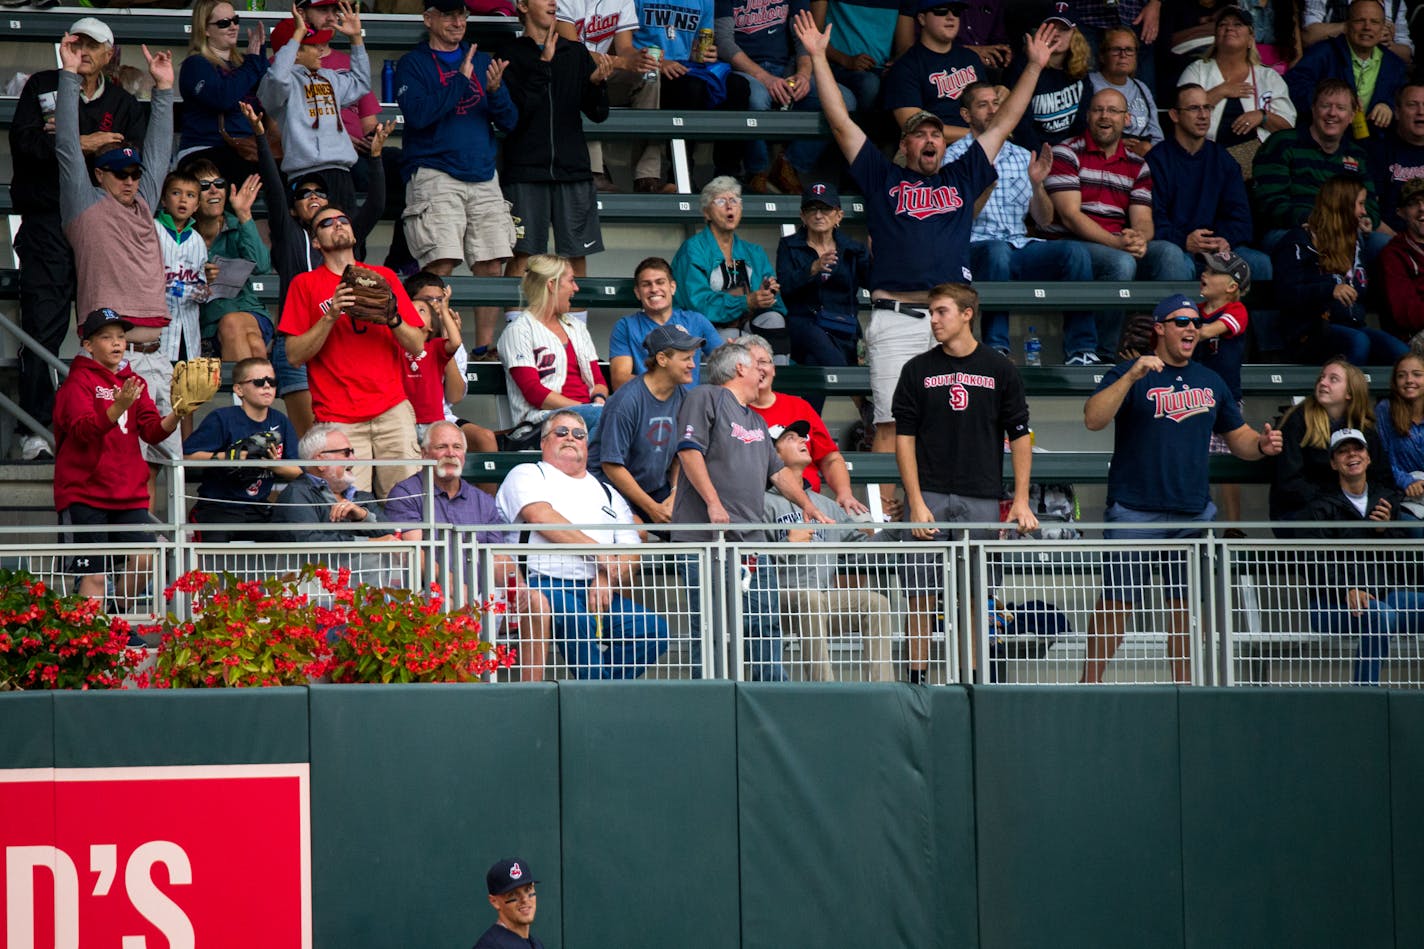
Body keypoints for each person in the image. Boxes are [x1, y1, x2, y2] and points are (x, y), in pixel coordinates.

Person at [791, 9, 1052, 506]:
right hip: (894, 317)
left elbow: (1003, 122)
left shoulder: (961, 176)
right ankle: (888, 525)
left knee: (950, 422)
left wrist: (1034, 65)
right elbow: (842, 122)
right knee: (889, 422)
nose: (930, 139)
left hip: (950, 321)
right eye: (919, 133)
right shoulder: (883, 178)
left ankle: (930, 514)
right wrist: (819, 57)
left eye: (935, 133)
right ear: (905, 145)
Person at [1080, 293, 1283, 685]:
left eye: (1194, 322)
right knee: (1116, 605)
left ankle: (1185, 692)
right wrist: (1130, 375)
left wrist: (1262, 445)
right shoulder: (1130, 372)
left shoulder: (1211, 380)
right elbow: (1093, 418)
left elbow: (1237, 436)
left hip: (1192, 510)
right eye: (1181, 322)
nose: (1191, 328)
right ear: (1160, 328)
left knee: (1187, 611)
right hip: (1135, 509)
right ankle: (1089, 688)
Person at [9, 15, 147, 462]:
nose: (83, 52)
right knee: (43, 326)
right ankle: (35, 430)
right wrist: (85, 143)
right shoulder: (42, 85)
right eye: (76, 43)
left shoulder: (124, 101)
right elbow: (25, 145)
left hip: (102, 227)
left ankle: (108, 426)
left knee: (106, 330)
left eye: (93, 45)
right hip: (47, 222)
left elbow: (132, 161)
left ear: (110, 54)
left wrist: (71, 141)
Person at [892, 282, 1037, 685]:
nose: (933, 320)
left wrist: (1021, 500)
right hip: (931, 494)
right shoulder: (917, 369)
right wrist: (915, 501)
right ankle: (916, 681)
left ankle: (972, 680)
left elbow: (1021, 434)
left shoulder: (1000, 368)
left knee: (976, 596)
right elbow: (904, 438)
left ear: (967, 313)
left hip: (982, 494)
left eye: (941, 312)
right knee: (918, 595)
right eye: (932, 312)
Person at [57, 35, 177, 506]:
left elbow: (160, 154)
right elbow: (67, 146)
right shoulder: (83, 205)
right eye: (118, 173)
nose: (130, 181)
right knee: (121, 477)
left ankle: (162, 577)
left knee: (169, 471)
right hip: (110, 359)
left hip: (157, 353)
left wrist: (163, 90)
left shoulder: (146, 201)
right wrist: (69, 77)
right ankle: (115, 576)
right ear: (100, 175)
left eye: (132, 174)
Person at [672, 341, 830, 681]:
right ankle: (710, 694)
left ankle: (769, 693)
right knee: (711, 625)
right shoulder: (705, 397)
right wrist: (713, 502)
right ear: (739, 368)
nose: (765, 370)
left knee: (764, 622)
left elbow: (778, 473)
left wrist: (807, 505)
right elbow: (688, 451)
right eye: (758, 363)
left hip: (751, 542)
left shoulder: (757, 421)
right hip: (706, 540)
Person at [55, 309, 217, 600]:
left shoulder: (133, 382)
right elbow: (82, 432)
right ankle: (93, 639)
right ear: (88, 345)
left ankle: (118, 623)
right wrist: (117, 407)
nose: (116, 343)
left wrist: (178, 413)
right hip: (85, 492)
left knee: (145, 560)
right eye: (106, 337)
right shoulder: (77, 382)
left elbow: (152, 432)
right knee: (94, 573)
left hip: (127, 492)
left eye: (120, 336)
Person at [495, 410, 669, 679]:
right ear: (543, 442)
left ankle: (599, 694)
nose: (570, 438)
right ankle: (595, 696)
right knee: (580, 620)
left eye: (578, 434)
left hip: (596, 590)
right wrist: (599, 553)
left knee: (652, 629)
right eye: (561, 432)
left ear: (587, 444)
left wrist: (606, 576)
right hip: (541, 584)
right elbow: (541, 516)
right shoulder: (528, 473)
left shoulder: (607, 492)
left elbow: (631, 552)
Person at [253, 101, 392, 435]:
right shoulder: (289, 235)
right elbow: (273, 190)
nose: (313, 196)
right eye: (304, 194)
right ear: (295, 208)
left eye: (319, 192)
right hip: (300, 338)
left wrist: (375, 159)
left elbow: (376, 204)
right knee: (313, 437)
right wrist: (261, 138)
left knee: (345, 434)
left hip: (343, 341)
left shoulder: (345, 233)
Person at [396, 0, 520, 352]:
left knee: (491, 262)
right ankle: (432, 346)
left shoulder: (482, 60)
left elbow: (509, 122)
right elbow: (419, 116)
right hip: (435, 172)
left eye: (462, 15)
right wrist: (461, 81)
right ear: (429, 19)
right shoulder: (413, 64)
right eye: (449, 15)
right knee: (440, 261)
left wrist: (495, 93)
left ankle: (483, 348)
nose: (457, 22)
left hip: (483, 174)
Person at [278, 204, 427, 497]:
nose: (337, 224)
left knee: (407, 503)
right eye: (326, 223)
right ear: (316, 242)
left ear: (353, 233)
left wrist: (393, 317)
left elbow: (417, 344)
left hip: (391, 409)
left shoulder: (384, 276)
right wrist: (331, 315)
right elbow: (294, 355)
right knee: (348, 506)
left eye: (343, 220)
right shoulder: (305, 284)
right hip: (338, 416)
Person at [942, 81, 1096, 363]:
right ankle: (996, 347)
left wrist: (1038, 186)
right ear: (966, 115)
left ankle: (1082, 351)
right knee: (996, 251)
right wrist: (984, 187)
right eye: (982, 104)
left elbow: (1045, 219)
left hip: (1020, 245)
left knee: (1075, 253)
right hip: (974, 248)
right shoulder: (953, 157)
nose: (992, 110)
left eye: (996, 103)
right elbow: (956, 222)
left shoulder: (1023, 156)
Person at [763, 421, 894, 682]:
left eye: (802, 437)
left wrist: (898, 532)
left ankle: (885, 689)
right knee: (811, 600)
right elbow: (747, 559)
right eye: (791, 438)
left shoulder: (825, 505)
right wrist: (786, 546)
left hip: (822, 599)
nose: (802, 440)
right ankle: (823, 688)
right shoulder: (761, 501)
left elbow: (863, 551)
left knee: (876, 603)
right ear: (774, 455)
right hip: (774, 602)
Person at [1297, 428, 1422, 685]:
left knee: (1384, 610)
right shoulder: (1320, 506)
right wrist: (1348, 589)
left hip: (1386, 595)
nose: (1351, 455)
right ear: (1333, 462)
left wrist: (1385, 531)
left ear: (1368, 457)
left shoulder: (1386, 499)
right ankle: (1366, 694)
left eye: (1358, 449)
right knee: (1379, 614)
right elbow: (1314, 561)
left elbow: (1403, 562)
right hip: (1331, 604)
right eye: (1342, 451)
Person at [502, 0, 612, 279]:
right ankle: (516, 324)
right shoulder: (508, 55)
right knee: (522, 255)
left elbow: (598, 114)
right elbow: (514, 116)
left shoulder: (575, 52)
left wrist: (597, 84)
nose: (553, 2)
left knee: (576, 255)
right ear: (523, 6)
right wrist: (543, 65)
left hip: (572, 169)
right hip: (525, 170)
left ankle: (577, 324)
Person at [1044, 86, 1186, 286]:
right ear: (1087, 116)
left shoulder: (1138, 164)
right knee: (1121, 262)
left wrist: (1138, 240)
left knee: (1169, 253)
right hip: (1071, 245)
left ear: (1126, 119)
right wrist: (1116, 244)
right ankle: (1105, 319)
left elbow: (1143, 220)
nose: (1104, 116)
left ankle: (1170, 317)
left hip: (1117, 243)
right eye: (1097, 110)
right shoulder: (1066, 153)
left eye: (1113, 111)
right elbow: (1070, 217)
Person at [1271, 174, 1407, 366]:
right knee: (1358, 342)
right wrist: (1329, 289)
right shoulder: (1298, 241)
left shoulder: (1355, 243)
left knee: (1402, 356)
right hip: (1310, 332)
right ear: (1343, 205)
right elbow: (1285, 294)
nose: (1363, 211)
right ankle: (1347, 394)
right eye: (1360, 204)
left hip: (1352, 326)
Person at [1145, 83, 1269, 288]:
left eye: (1207, 107)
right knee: (1175, 260)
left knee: (1259, 263)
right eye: (1194, 108)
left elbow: (1241, 219)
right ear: (1175, 115)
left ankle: (1234, 321)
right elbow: (1150, 220)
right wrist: (1184, 240)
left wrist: (1224, 239)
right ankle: (1182, 320)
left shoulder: (1223, 160)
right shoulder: (1156, 160)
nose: (1203, 115)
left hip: (1217, 250)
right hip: (1177, 247)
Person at [256, 3, 370, 212]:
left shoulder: (330, 77)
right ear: (295, 52)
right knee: (310, 240)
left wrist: (356, 40)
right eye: (313, 45)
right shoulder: (279, 83)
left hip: (341, 172)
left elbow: (361, 83)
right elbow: (278, 78)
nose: (320, 49)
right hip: (304, 175)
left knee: (346, 238)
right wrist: (297, 35)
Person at [716, 0, 838, 194]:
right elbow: (723, 43)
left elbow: (804, 36)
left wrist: (804, 74)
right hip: (744, 70)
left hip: (785, 69)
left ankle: (788, 166)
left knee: (844, 101)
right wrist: (763, 77)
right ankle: (758, 171)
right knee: (755, 99)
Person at [739, 333, 866, 515]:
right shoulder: (732, 409)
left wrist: (845, 493)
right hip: (759, 506)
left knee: (861, 521)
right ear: (740, 369)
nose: (759, 369)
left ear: (774, 369)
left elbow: (830, 459)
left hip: (808, 502)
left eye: (763, 362)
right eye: (751, 363)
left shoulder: (799, 407)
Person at [587, 324, 700, 525]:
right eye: (686, 359)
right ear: (662, 359)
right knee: (637, 532)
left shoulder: (684, 396)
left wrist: (674, 495)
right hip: (610, 489)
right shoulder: (625, 401)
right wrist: (651, 508)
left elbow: (679, 455)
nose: (693, 365)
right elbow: (611, 466)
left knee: (692, 529)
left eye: (692, 358)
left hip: (655, 488)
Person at [1252, 78, 1380, 253]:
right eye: (1326, 106)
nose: (1332, 113)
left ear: (1352, 116)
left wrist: (1366, 219)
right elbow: (1270, 203)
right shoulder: (1282, 143)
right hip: (1290, 229)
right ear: (1313, 108)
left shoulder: (1358, 155)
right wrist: (1316, 220)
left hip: (1347, 230)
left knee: (1384, 246)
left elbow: (1371, 204)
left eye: (1341, 108)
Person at [183, 356, 302, 541]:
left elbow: (299, 471)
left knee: (287, 537)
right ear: (239, 389)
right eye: (259, 382)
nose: (267, 386)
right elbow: (187, 457)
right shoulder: (222, 418)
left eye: (272, 381)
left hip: (259, 507)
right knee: (214, 550)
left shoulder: (281, 421)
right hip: (218, 506)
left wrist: (273, 466)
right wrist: (227, 457)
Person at [555, 0, 669, 193]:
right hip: (569, 73)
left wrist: (639, 58)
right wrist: (622, 62)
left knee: (649, 75)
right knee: (581, 72)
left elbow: (624, 48)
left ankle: (647, 176)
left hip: (608, 69)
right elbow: (572, 50)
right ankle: (595, 171)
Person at [670, 176, 789, 359]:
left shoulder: (754, 252)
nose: (729, 206)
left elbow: (777, 304)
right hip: (706, 331)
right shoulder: (693, 250)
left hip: (747, 327)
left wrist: (768, 295)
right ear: (706, 213)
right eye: (720, 201)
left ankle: (775, 384)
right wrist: (746, 301)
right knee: (730, 338)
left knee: (774, 320)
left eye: (734, 200)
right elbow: (699, 304)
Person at [499, 254, 609, 443]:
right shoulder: (519, 330)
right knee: (610, 419)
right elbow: (534, 392)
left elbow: (598, 380)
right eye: (571, 281)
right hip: (540, 422)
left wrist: (598, 399)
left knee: (628, 416)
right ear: (552, 285)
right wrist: (584, 410)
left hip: (589, 415)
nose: (576, 288)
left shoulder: (577, 327)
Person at [1176, 4, 1295, 176]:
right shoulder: (1197, 70)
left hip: (1254, 166)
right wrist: (1221, 91)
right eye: (1223, 24)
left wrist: (1262, 116)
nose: (1229, 27)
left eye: (1238, 24)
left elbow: (1287, 129)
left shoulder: (1269, 77)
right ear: (1216, 36)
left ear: (1250, 38)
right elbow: (1181, 114)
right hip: (1203, 161)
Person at [774, 182, 871, 391]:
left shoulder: (853, 249)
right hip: (803, 328)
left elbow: (873, 283)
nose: (818, 215)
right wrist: (813, 268)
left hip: (841, 327)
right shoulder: (789, 245)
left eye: (826, 209)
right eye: (812, 209)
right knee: (812, 333)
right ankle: (859, 399)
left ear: (839, 215)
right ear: (802, 216)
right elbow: (786, 287)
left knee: (813, 364)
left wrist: (878, 259)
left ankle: (810, 424)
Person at [1271, 357, 1390, 523]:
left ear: (1350, 393)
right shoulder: (1297, 421)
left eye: (1333, 379)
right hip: (1301, 510)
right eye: (1321, 377)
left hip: (1351, 509)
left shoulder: (1365, 429)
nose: (1323, 383)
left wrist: (1377, 507)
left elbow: (1382, 479)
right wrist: (1338, 502)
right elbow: (1289, 484)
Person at [185, 157, 272, 364]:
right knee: (254, 344)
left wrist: (244, 215)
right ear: (192, 198)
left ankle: (245, 392)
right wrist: (199, 278)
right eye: (204, 186)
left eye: (219, 184)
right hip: (208, 322)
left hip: (249, 310)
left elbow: (262, 266)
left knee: (234, 323)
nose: (214, 190)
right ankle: (255, 392)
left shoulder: (237, 224)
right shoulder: (182, 235)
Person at [1286, 0, 1408, 138]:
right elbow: (1293, 86)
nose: (1367, 27)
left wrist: (1389, 106)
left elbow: (1406, 101)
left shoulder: (1394, 64)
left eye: (1374, 22)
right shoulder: (1323, 53)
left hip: (1373, 146)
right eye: (1360, 20)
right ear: (1347, 25)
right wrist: (1331, 102)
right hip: (1321, 140)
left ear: (1382, 28)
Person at [177, 0, 267, 183]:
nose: (233, 27)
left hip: (247, 149)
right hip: (205, 151)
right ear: (205, 30)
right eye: (224, 23)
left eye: (235, 20)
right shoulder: (196, 64)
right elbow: (222, 97)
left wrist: (260, 58)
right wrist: (252, 63)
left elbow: (271, 97)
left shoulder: (244, 63)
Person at [607, 256, 720, 390]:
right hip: (647, 406)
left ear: (672, 287)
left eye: (660, 282)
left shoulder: (696, 320)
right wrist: (663, 387)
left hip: (690, 407)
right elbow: (620, 379)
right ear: (637, 292)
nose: (654, 289)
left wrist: (734, 353)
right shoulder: (625, 326)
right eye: (646, 284)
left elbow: (725, 364)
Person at [270, 423, 396, 542]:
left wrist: (363, 516)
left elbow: (392, 536)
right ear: (320, 461)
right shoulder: (296, 494)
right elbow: (307, 541)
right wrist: (368, 542)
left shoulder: (361, 497)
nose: (354, 459)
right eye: (346, 453)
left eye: (353, 452)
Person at [882, 0, 986, 143]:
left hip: (981, 144)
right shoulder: (906, 66)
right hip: (933, 150)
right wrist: (978, 135)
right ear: (922, 19)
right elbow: (915, 126)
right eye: (941, 11)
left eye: (955, 11)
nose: (951, 17)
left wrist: (1001, 93)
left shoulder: (970, 58)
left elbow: (986, 105)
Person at [1003, 5, 1090, 152]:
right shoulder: (1024, 68)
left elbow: (1082, 122)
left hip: (1070, 153)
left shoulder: (1080, 71)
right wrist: (1040, 157)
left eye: (1063, 29)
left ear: (1075, 35)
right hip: (1031, 153)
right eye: (1050, 28)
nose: (1056, 34)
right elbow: (1021, 125)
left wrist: (1070, 154)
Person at [1086, 26, 1161, 154]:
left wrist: (1149, 150)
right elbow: (1080, 130)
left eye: (1129, 50)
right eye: (1116, 50)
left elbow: (1157, 136)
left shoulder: (1141, 87)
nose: (1123, 55)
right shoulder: (1089, 83)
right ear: (1103, 56)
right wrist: (1115, 144)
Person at [1368, 83, 1424, 239]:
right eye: (1412, 105)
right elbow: (1369, 209)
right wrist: (1401, 246)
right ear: (1397, 112)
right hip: (1391, 240)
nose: (1421, 112)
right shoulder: (1379, 151)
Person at [1303, 0, 1412, 62]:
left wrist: (1388, 44)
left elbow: (1407, 54)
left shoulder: (1396, 2)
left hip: (1379, 70)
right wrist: (1351, 27)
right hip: (1332, 63)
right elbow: (1308, 37)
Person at [472, 858, 543, 949]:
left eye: (528, 889)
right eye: (513, 894)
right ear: (494, 901)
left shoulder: (536, 944)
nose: (525, 899)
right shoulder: (489, 946)